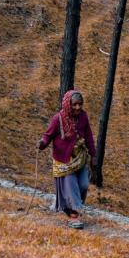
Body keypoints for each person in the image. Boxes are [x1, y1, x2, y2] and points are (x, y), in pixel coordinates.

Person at [38, 89, 96, 228]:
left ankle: (70, 209)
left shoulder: (83, 117)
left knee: (83, 184)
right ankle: (74, 216)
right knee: (71, 186)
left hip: (79, 158)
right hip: (64, 160)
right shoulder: (57, 119)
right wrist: (42, 143)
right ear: (68, 104)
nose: (78, 107)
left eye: (80, 104)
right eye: (75, 104)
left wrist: (93, 154)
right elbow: (48, 135)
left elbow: (88, 136)